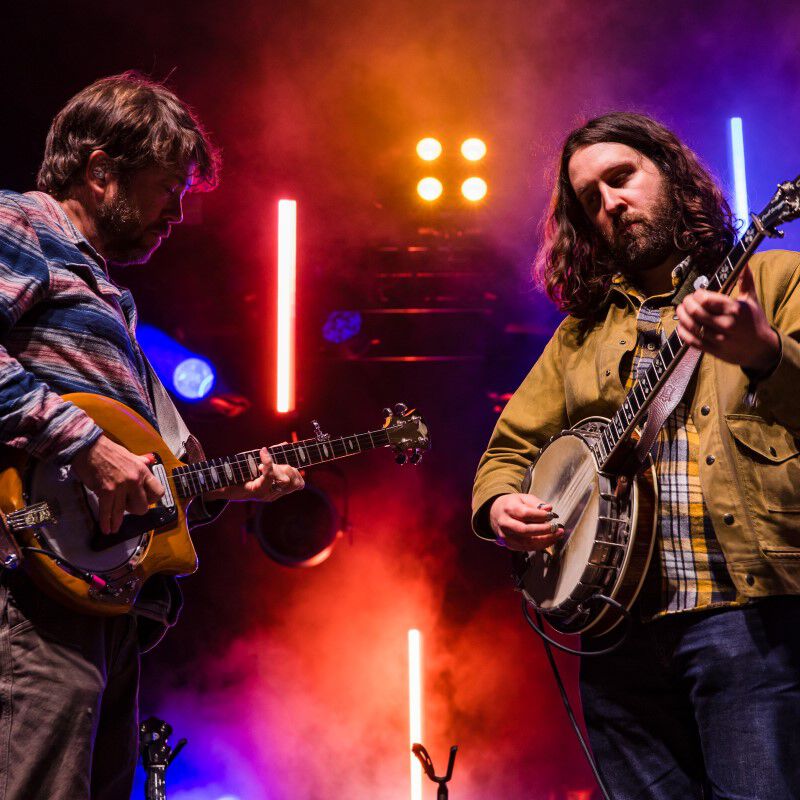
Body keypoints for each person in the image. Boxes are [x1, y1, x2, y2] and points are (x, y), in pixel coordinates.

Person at [472, 112, 800, 799]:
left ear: (672, 176)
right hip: (616, 637)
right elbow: (508, 450)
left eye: (621, 178)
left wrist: (766, 355)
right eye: (590, 200)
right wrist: (501, 502)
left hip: (747, 616)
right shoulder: (580, 335)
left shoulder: (774, 279)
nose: (610, 204)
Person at [0, 72, 304, 799]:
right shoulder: (19, 224)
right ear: (101, 171)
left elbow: (139, 484)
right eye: (170, 186)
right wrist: (85, 443)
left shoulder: (114, 302)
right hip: (29, 579)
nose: (177, 212)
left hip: (101, 599)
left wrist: (222, 488)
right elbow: (91, 456)